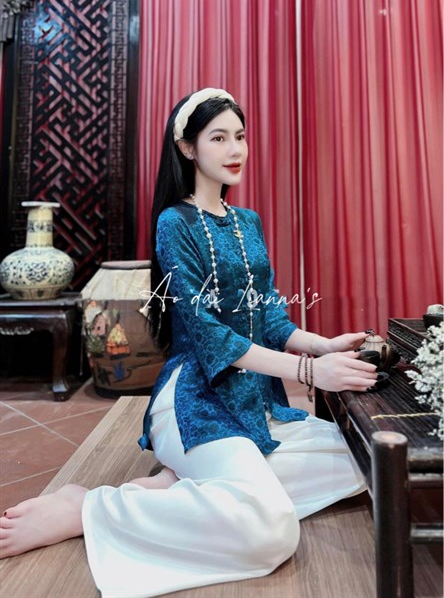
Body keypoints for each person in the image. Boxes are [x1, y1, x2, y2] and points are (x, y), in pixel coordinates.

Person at [0, 88, 377, 597]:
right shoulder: (174, 223)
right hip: (196, 400)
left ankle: (181, 488)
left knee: (362, 461)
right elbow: (208, 334)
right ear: (187, 148)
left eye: (239, 136)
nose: (235, 149)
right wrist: (309, 373)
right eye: (218, 138)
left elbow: (268, 313)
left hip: (252, 402)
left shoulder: (247, 222)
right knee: (269, 532)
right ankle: (90, 506)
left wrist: (323, 346)